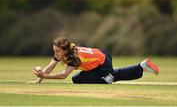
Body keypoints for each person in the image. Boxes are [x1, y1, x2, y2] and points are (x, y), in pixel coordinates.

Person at [28, 37, 159, 84]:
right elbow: (50, 66)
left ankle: (139, 67)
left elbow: (63, 75)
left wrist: (44, 75)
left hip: (103, 63)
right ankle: (142, 66)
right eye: (54, 50)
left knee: (77, 79)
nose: (55, 53)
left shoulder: (73, 57)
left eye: (57, 51)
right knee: (78, 79)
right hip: (102, 54)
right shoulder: (63, 53)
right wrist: (39, 79)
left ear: (64, 50)